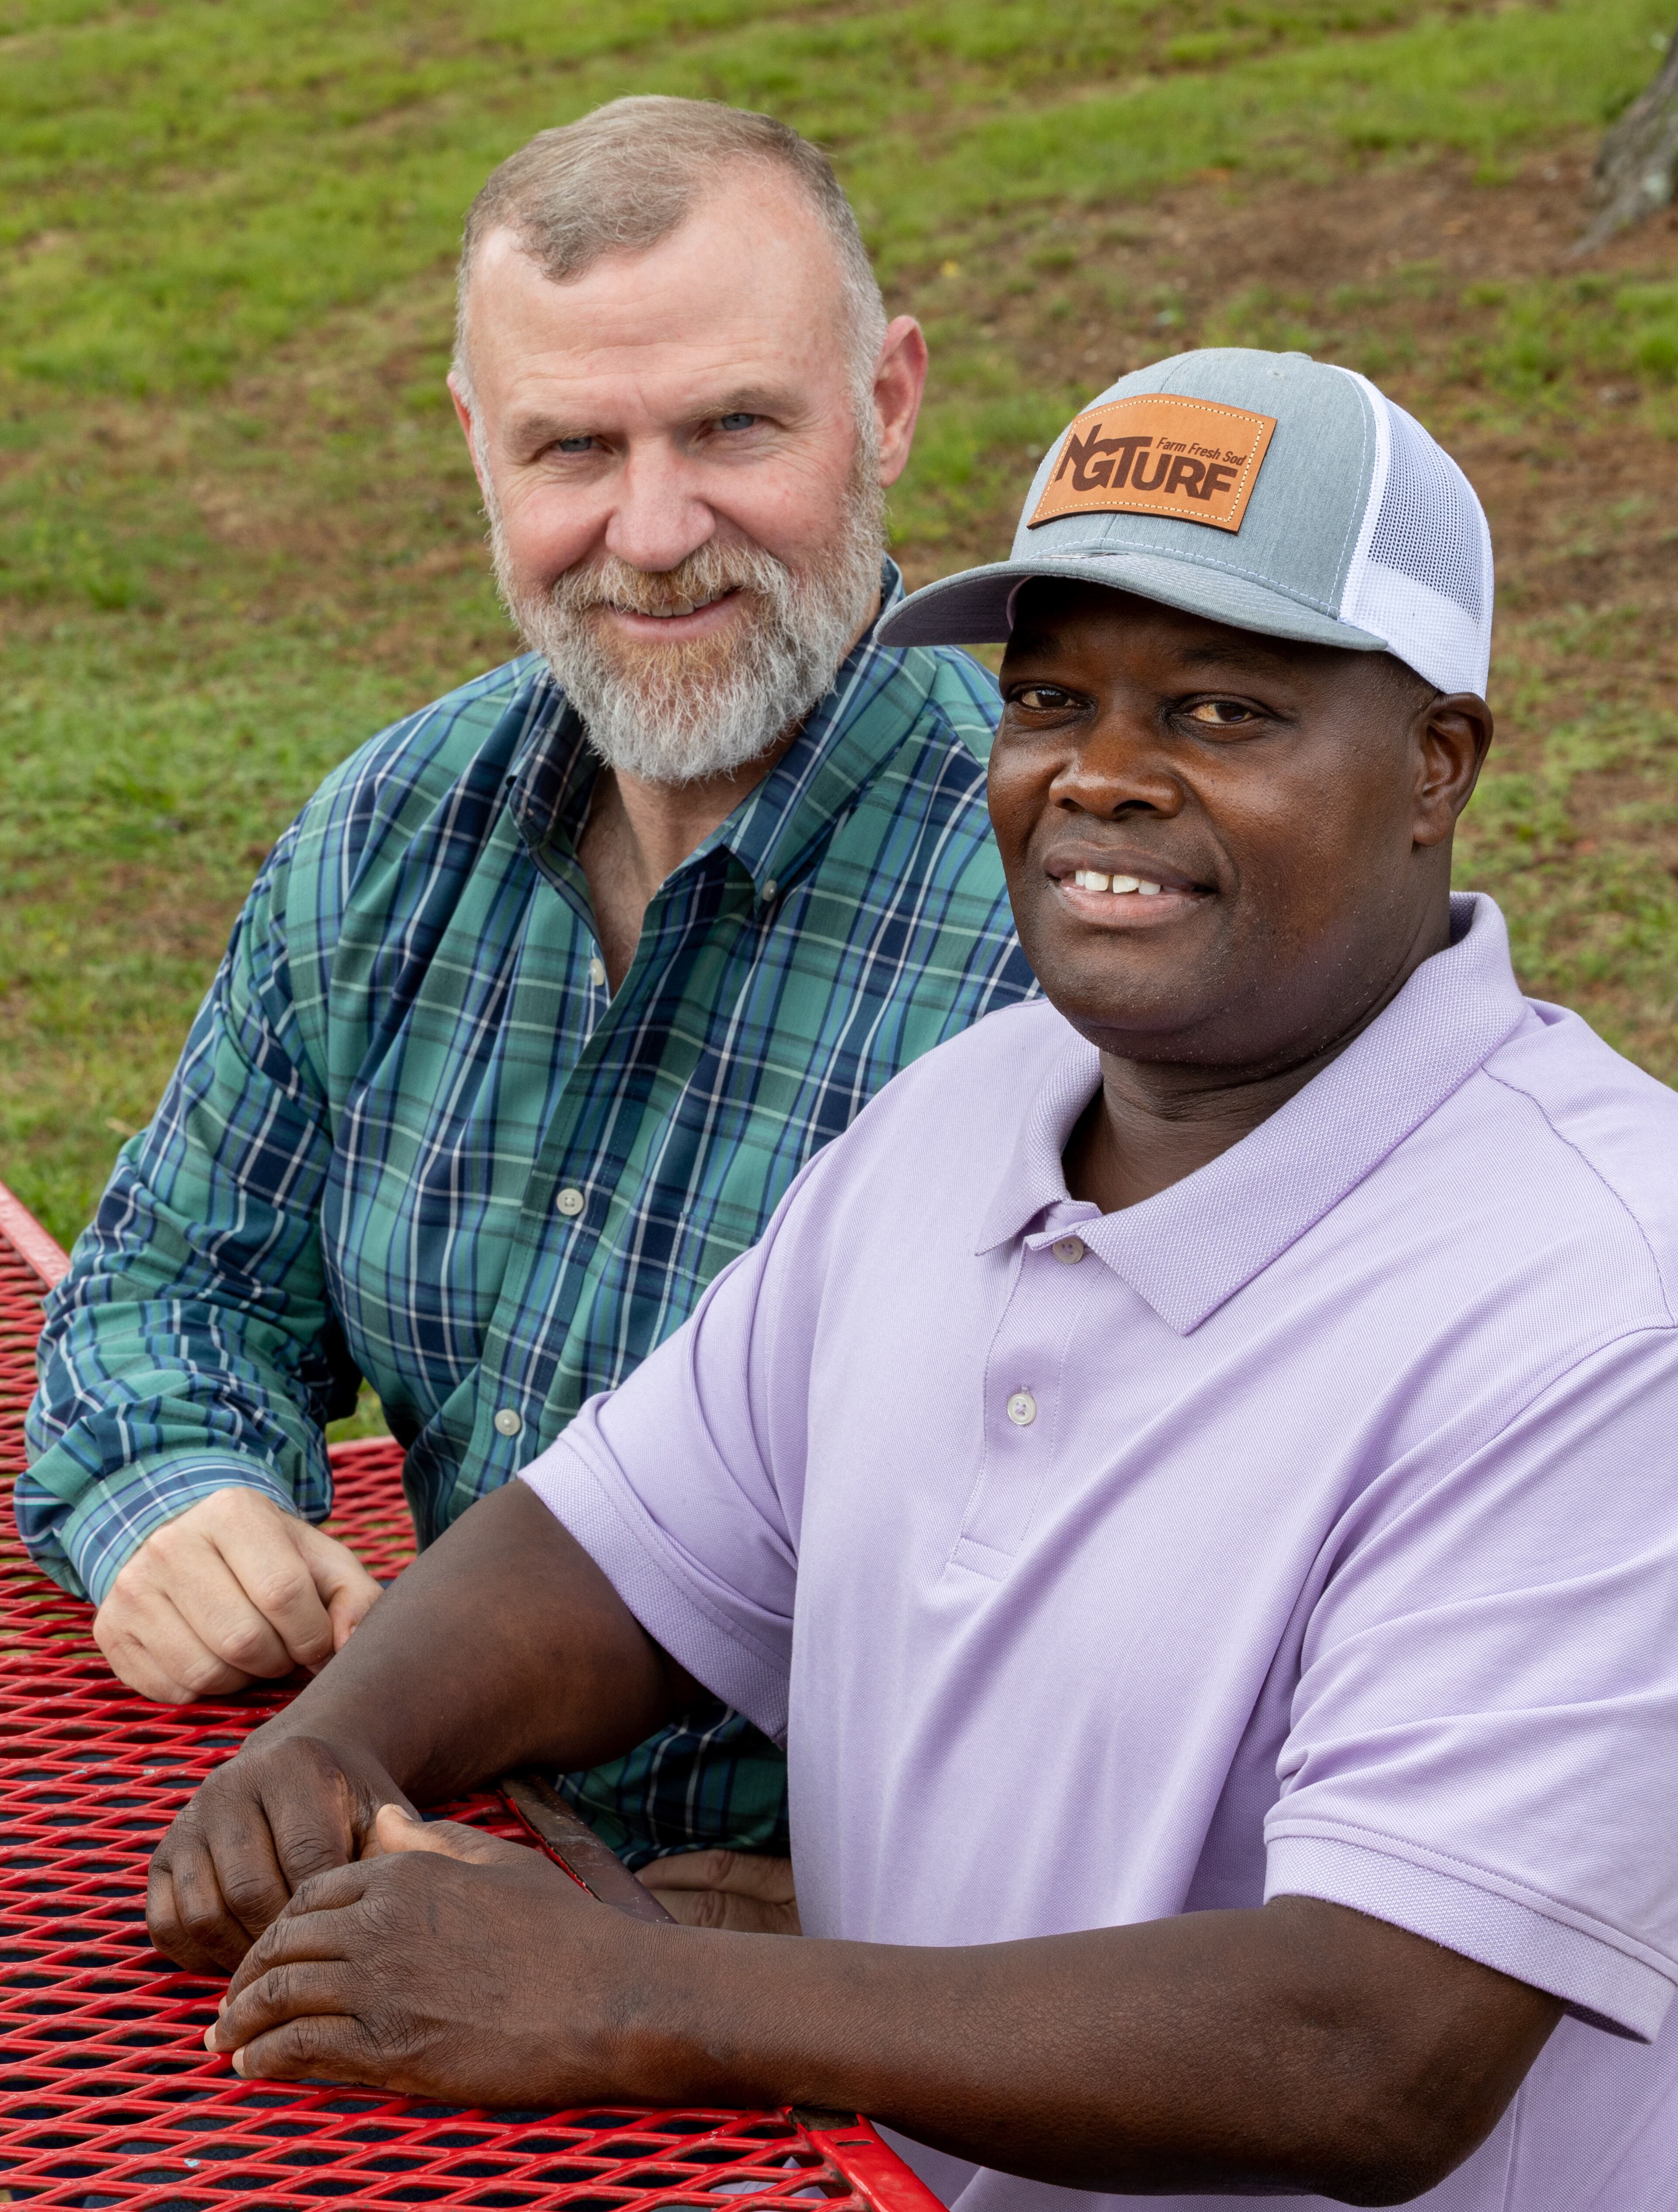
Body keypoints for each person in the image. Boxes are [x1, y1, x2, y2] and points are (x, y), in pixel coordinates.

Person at [148, 346, 1678, 2209]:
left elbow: (1371, 2043)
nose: (1101, 778)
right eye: (1052, 698)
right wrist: (337, 1744)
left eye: (1220, 712)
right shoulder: (970, 1111)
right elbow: (619, 1552)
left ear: (1439, 762)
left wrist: (649, 1995)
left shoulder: (1601, 1300)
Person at [18, 97, 1038, 1926]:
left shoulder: (1067, 933)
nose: (652, 535)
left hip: (852, 2030)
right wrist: (177, 1500)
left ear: (887, 404)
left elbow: (1203, 1604)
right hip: (406, 1861)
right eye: (574, 446)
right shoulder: (394, 828)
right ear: (476, 445)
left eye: (734, 426)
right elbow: (170, 1286)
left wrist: (865, 1914)